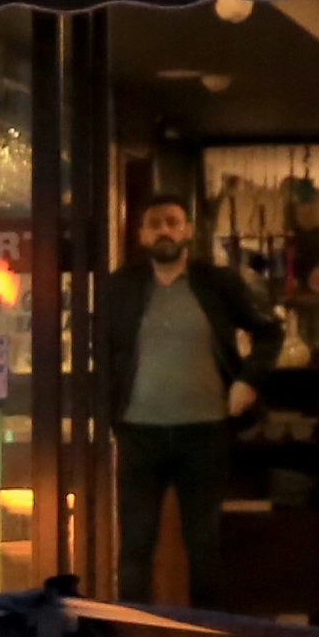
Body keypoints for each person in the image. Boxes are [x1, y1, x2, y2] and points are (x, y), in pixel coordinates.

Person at [98, 196, 281, 605]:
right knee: (135, 544)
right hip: (139, 432)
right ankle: (134, 635)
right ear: (143, 234)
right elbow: (102, 353)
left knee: (204, 545)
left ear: (187, 231)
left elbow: (270, 333)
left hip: (204, 431)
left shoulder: (217, 284)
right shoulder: (121, 287)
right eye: (156, 223)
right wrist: (107, 416)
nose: (165, 230)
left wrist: (248, 382)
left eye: (173, 222)